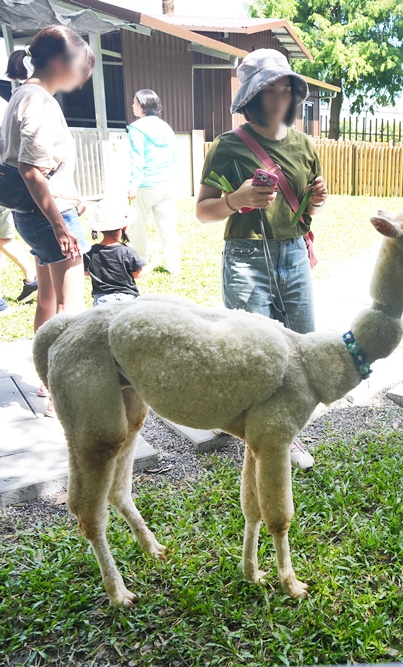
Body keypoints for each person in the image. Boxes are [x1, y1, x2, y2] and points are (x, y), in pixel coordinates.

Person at [196, 49, 327, 471]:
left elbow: (302, 211)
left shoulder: (305, 144)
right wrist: (238, 199)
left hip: (292, 253)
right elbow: (203, 210)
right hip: (246, 256)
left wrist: (317, 201)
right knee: (255, 351)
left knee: (301, 345)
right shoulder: (228, 146)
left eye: (284, 88)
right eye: (268, 89)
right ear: (251, 95)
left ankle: (274, 428)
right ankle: (259, 429)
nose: (277, 98)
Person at [2, 26, 93, 336]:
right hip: (50, 215)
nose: (83, 75)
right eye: (82, 66)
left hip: (34, 213)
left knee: (48, 299)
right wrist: (60, 225)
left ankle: (44, 377)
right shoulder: (38, 100)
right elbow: (30, 168)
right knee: (71, 307)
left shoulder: (22, 94)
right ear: (58, 61)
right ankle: (59, 380)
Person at [127, 88, 179, 273]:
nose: (132, 105)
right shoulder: (166, 127)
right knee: (168, 228)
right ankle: (174, 267)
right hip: (166, 184)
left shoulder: (136, 128)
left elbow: (137, 158)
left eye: (134, 102)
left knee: (138, 227)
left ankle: (138, 265)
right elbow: (173, 157)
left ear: (142, 106)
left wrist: (133, 183)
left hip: (144, 185)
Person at [0, 96, 38, 314]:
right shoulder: (5, 104)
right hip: (6, 179)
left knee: (3, 238)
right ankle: (31, 277)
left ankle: (32, 277)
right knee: (3, 238)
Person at [83, 202, 150, 307]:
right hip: (127, 297)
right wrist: (154, 264)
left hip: (101, 299)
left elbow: (86, 272)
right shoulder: (128, 251)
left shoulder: (91, 252)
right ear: (123, 227)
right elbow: (137, 273)